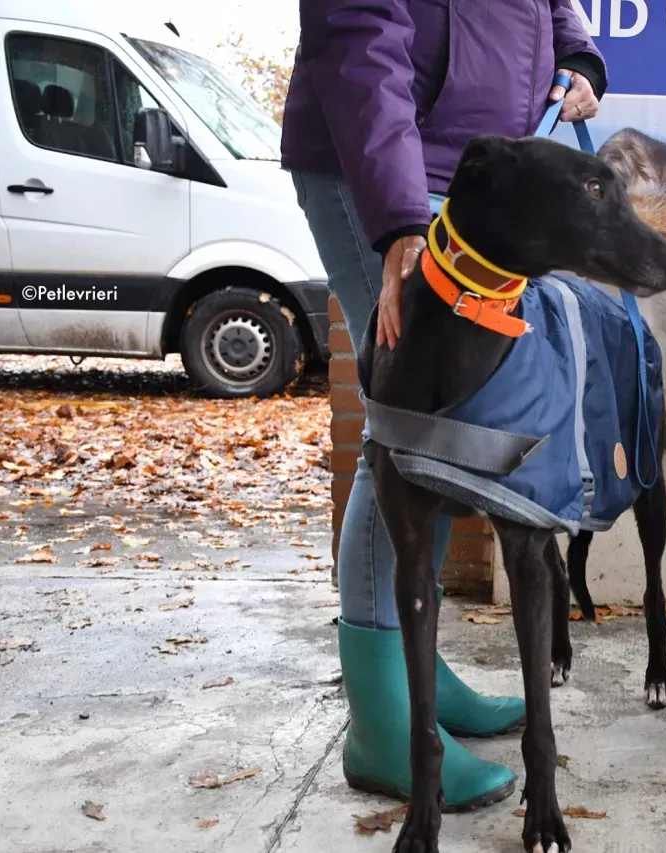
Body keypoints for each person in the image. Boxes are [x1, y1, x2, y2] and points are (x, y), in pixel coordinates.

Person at [280, 0, 607, 811]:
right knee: (405, 433)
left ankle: (419, 670)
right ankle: (384, 719)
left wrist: (580, 57)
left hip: (465, 171)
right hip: (380, 168)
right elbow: (358, 40)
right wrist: (396, 220)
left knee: (438, 432)